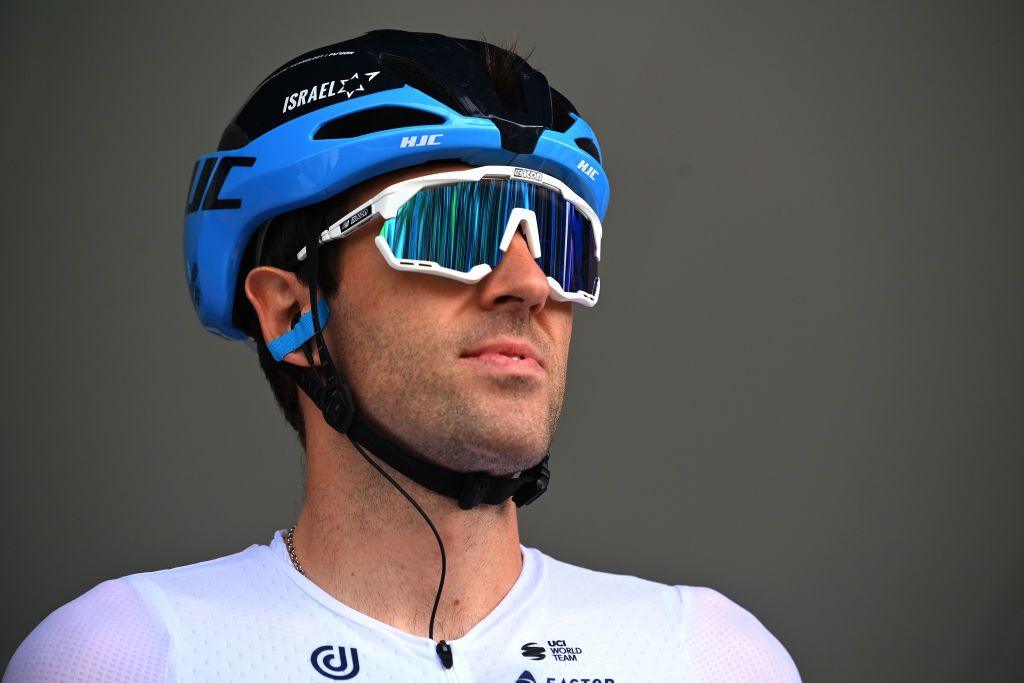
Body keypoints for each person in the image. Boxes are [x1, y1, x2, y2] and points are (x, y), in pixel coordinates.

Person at [4, 30, 801, 682]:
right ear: (292, 310)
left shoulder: (712, 657)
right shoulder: (121, 656)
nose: (527, 283)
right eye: (451, 225)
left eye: (560, 241)